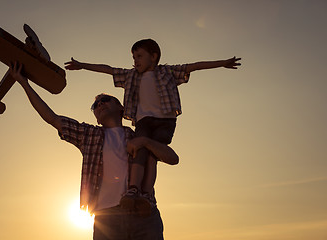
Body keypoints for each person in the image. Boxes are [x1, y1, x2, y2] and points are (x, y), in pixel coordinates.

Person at [64, 39, 241, 212]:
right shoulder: (131, 76)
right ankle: (134, 189)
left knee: (152, 156)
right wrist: (82, 65)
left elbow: (194, 66)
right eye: (133, 57)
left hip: (165, 121)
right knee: (140, 153)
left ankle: (146, 193)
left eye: (139, 56)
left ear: (154, 56)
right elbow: (108, 69)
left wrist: (223, 63)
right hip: (143, 121)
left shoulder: (168, 72)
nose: (135, 61)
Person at [9, 61, 179, 240]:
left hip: (144, 215)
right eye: (95, 105)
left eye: (105, 100)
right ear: (96, 118)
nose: (100, 105)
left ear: (121, 108)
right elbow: (52, 118)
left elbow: (173, 158)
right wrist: (23, 83)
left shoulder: (138, 136)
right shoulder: (89, 135)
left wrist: (145, 141)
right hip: (107, 219)